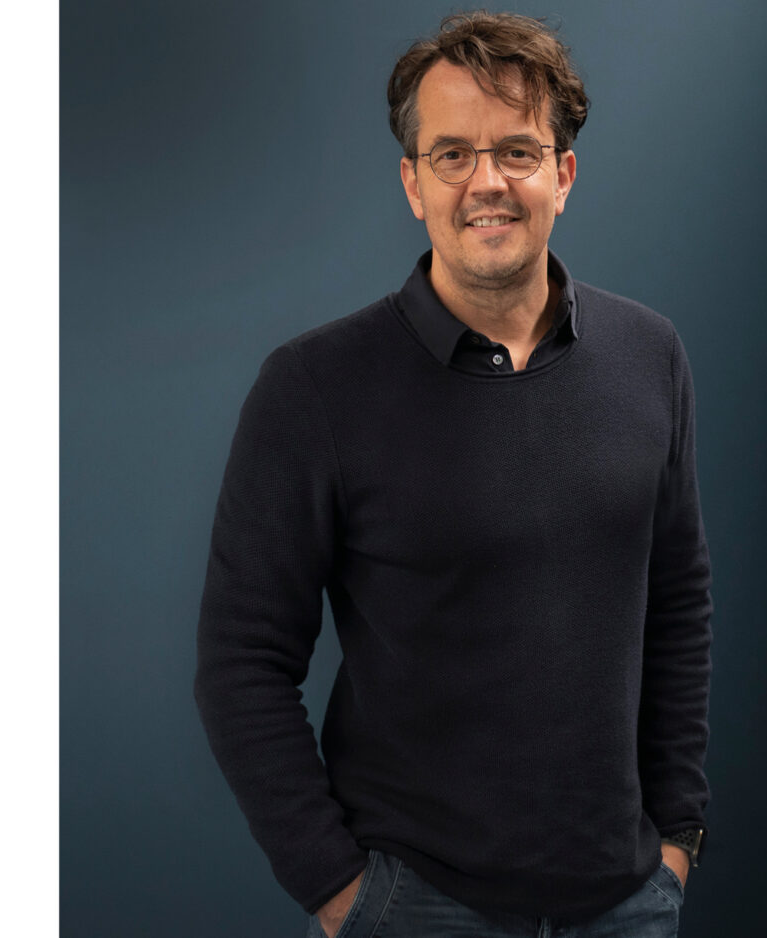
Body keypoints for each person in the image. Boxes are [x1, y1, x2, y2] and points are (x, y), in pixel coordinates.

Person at [195, 11, 712, 937]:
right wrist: (340, 892)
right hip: (414, 905)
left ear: (564, 174)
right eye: (452, 155)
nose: (487, 182)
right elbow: (241, 662)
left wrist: (677, 839)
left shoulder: (650, 356)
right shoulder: (315, 387)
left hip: (629, 900)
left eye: (517, 151)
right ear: (413, 183)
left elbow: (677, 605)